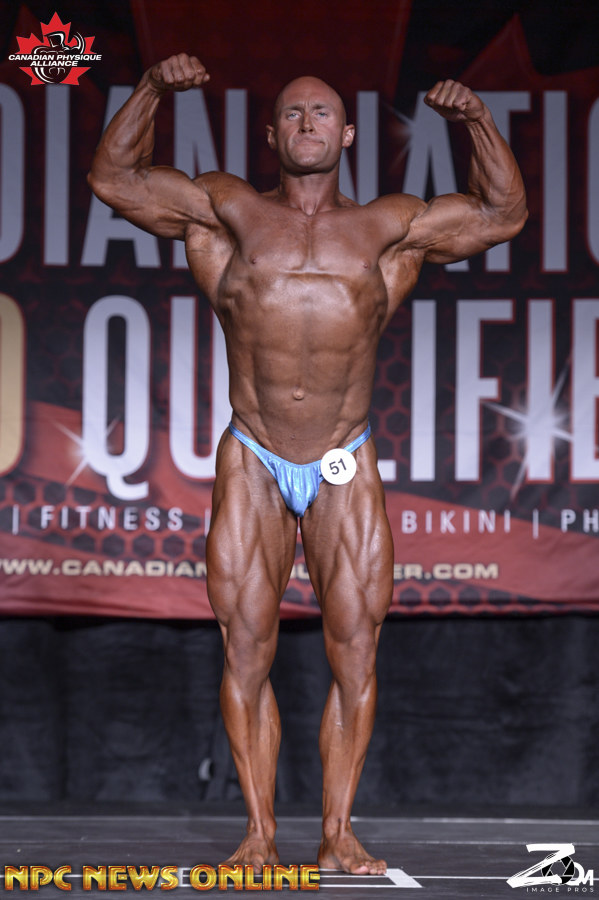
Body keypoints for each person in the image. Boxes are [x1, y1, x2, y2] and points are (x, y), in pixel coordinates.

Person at [88, 53, 527, 875]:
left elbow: (503, 214)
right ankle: (258, 833)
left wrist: (474, 121)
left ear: (347, 133)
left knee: (355, 651)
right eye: (291, 113)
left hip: (342, 456)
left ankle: (337, 832)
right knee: (244, 649)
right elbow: (113, 179)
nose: (306, 124)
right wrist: (150, 90)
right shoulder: (227, 212)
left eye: (321, 113)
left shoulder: (390, 226)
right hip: (253, 455)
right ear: (271, 134)